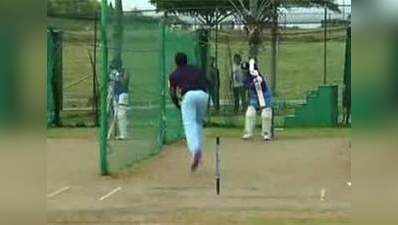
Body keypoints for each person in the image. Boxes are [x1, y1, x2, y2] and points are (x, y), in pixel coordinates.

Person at [169, 52, 209, 172]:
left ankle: (195, 150)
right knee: (198, 123)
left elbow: (172, 93)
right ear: (187, 60)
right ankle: (199, 152)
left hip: (189, 96)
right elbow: (208, 83)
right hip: (203, 95)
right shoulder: (197, 70)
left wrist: (178, 104)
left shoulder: (174, 74)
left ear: (176, 62)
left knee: (189, 124)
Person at [242, 59, 274, 141]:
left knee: (265, 115)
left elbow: (260, 88)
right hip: (255, 97)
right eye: (243, 70)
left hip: (265, 96)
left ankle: (266, 133)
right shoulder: (245, 79)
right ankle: (248, 133)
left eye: (246, 70)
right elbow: (247, 87)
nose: (244, 72)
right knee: (250, 113)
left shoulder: (258, 77)